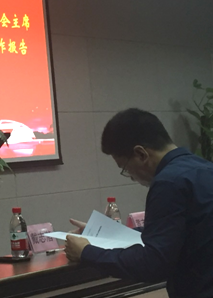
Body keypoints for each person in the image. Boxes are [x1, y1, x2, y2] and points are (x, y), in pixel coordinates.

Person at [64, 108, 213, 298]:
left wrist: (86, 252)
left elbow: (153, 263)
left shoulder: (169, 182)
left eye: (125, 168)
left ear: (141, 154)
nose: (132, 177)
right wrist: (104, 233)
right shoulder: (204, 168)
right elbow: (174, 230)